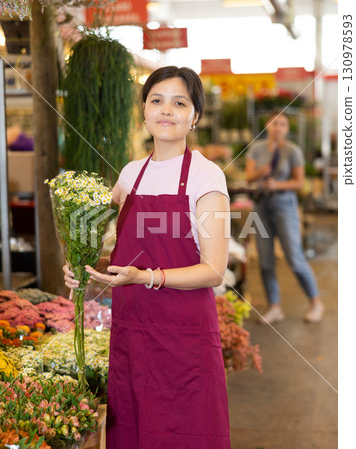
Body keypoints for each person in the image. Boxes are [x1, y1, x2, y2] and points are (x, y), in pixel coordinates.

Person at [64, 66, 231, 448]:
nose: (166, 110)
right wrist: (82, 269)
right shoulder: (129, 175)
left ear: (195, 116)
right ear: (143, 111)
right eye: (156, 100)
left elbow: (214, 269)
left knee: (186, 432)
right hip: (133, 333)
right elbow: (108, 251)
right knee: (135, 432)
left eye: (179, 102)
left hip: (184, 336)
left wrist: (147, 277)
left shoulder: (207, 176)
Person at [245, 110, 324, 325]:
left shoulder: (292, 151)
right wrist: (262, 172)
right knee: (265, 261)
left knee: (294, 258)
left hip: (285, 207)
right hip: (261, 207)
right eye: (273, 123)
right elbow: (249, 177)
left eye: (282, 124)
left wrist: (277, 184)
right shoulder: (257, 149)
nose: (277, 127)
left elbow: (299, 183)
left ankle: (315, 302)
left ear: (287, 128)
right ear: (267, 126)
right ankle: (275, 306)